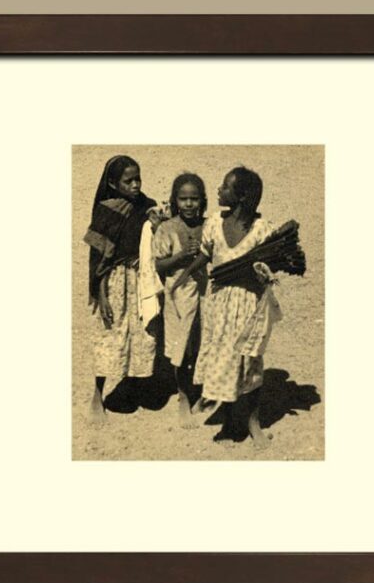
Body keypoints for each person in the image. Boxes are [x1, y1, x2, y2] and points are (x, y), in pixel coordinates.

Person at [172, 167, 275, 446]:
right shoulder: (215, 223)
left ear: (241, 196)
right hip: (219, 305)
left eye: (225, 186)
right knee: (223, 362)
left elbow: (268, 270)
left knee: (249, 363)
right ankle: (229, 423)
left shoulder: (263, 230)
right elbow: (206, 254)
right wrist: (185, 275)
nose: (218, 190)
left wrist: (258, 275)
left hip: (249, 306)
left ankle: (253, 423)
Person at [84, 155, 158, 422]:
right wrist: (101, 294)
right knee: (110, 335)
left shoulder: (146, 206)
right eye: (129, 181)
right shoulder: (106, 211)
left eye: (138, 179)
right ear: (113, 184)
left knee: (141, 334)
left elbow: (157, 235)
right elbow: (98, 259)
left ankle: (132, 386)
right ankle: (97, 395)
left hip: (141, 280)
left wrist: (156, 222)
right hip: (115, 281)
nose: (135, 185)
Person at [152, 173, 208, 427]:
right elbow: (159, 265)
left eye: (194, 199)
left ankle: (201, 392)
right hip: (178, 294)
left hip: (206, 293)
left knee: (202, 342)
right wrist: (182, 256)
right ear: (175, 200)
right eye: (183, 199)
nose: (188, 204)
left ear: (202, 200)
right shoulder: (168, 228)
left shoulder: (210, 225)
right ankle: (183, 395)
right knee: (182, 346)